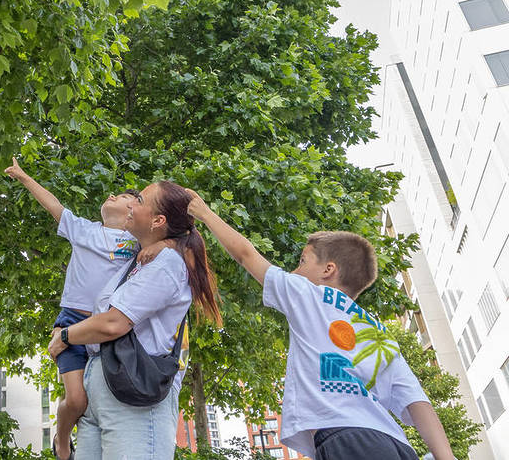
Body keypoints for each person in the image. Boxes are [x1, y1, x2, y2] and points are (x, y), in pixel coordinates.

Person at [186, 189, 457, 460]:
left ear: (328, 270)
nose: (294, 271)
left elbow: (246, 255)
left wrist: (205, 213)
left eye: (302, 261)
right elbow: (418, 402)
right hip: (395, 444)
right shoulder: (378, 331)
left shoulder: (309, 294)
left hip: (347, 439)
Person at [47, 180, 222, 460]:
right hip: (103, 393)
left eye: (139, 200)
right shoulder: (139, 259)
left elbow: (113, 323)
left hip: (133, 399)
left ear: (158, 220)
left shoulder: (167, 263)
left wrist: (66, 336)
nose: (131, 203)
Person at [4, 158, 165, 460]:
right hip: (72, 321)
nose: (112, 196)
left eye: (122, 196)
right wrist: (24, 177)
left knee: (101, 399)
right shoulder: (83, 229)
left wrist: (158, 247)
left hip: (107, 328)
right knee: (77, 401)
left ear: (135, 210)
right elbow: (53, 205)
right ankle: (62, 437)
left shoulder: (137, 240)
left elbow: (172, 239)